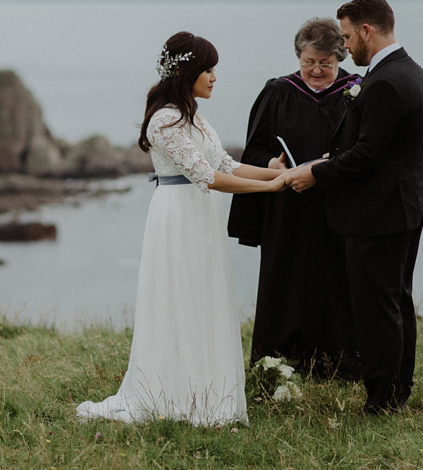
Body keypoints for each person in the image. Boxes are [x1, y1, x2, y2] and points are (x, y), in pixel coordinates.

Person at [76, 31, 289, 426]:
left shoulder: (194, 115)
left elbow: (225, 164)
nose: (213, 77)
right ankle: (173, 394)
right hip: (177, 215)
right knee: (179, 297)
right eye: (207, 69)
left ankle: (206, 391)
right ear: (188, 71)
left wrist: (277, 172)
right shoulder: (165, 119)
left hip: (201, 215)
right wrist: (269, 187)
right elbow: (205, 176)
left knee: (204, 296)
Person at [286, 0, 423, 415]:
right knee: (396, 301)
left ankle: (383, 400)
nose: (346, 47)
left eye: (348, 37)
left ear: (367, 30)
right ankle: (397, 390)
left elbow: (369, 154)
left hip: (378, 214)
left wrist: (315, 172)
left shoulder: (385, 81)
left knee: (376, 309)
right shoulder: (411, 71)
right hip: (403, 207)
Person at [227, 18, 362, 379]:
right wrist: (271, 163)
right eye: (309, 62)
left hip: (335, 206)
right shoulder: (278, 92)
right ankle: (276, 363)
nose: (316, 70)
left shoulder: (357, 92)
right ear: (298, 56)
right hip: (286, 207)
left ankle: (337, 365)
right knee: (283, 279)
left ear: (340, 58)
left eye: (326, 63)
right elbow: (251, 151)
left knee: (336, 282)